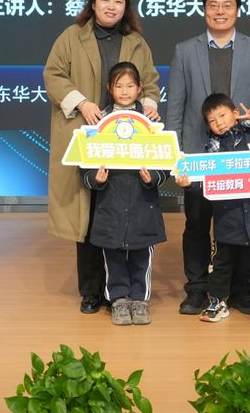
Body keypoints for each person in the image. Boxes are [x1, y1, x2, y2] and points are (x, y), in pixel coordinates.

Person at [44, 0, 161, 314]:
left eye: (118, 1)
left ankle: (119, 291)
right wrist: (81, 102)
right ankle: (92, 290)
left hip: (126, 141)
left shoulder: (136, 42)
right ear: (93, 4)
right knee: (89, 213)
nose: (111, 6)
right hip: (86, 135)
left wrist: (148, 104)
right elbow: (53, 75)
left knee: (119, 214)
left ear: (126, 7)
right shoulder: (71, 36)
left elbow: (150, 80)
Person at [166, 0, 250, 316]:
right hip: (199, 155)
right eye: (213, 5)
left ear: (237, 10)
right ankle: (197, 289)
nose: (220, 11)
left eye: (227, 5)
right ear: (204, 10)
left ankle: (240, 290)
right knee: (197, 225)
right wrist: (176, 157)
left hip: (242, 156)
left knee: (241, 225)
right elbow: (176, 107)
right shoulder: (185, 50)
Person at [175, 94, 250, 340]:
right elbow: (201, 182)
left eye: (222, 115)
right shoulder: (212, 151)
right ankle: (218, 302)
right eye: (212, 120)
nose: (219, 122)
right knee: (220, 264)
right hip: (227, 219)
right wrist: (188, 184)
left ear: (234, 113)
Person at [81, 62, 167, 326]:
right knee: (113, 254)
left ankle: (139, 300)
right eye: (119, 86)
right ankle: (118, 299)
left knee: (142, 254)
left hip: (143, 202)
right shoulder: (99, 122)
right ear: (110, 88)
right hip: (111, 201)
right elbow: (84, 164)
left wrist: (153, 177)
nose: (125, 91)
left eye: (130, 85)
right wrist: (95, 179)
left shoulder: (152, 121)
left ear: (140, 88)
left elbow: (166, 162)